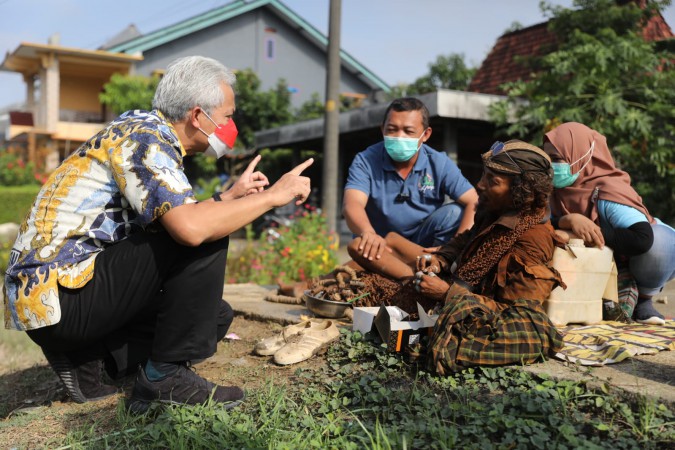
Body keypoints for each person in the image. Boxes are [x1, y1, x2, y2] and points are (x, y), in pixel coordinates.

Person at [3, 56, 313, 411]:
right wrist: (275, 197)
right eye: (227, 115)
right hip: (62, 296)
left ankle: (90, 358)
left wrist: (226, 198)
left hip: (58, 300)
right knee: (201, 236)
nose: (231, 124)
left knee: (214, 317)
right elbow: (191, 228)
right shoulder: (146, 140)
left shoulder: (140, 131)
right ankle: (164, 377)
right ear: (198, 116)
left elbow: (176, 217)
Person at [406, 140, 565, 375]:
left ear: (521, 190)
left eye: (493, 180)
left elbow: (516, 315)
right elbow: (465, 239)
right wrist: (441, 260)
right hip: (457, 293)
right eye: (484, 175)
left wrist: (446, 293)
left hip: (478, 316)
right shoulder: (494, 212)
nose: (480, 185)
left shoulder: (533, 240)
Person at [543, 122, 674, 325]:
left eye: (557, 159)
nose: (551, 166)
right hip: (609, 256)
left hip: (647, 251)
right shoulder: (552, 192)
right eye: (547, 158)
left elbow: (641, 239)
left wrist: (583, 234)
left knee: (659, 245)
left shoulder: (607, 190)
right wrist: (568, 220)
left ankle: (644, 300)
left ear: (582, 156)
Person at [343, 97, 478, 262]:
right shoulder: (365, 160)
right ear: (382, 130)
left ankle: (439, 261)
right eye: (392, 129)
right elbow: (352, 204)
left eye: (408, 131)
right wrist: (368, 233)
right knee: (358, 244)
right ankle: (412, 267)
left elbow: (474, 201)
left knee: (455, 212)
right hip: (379, 245)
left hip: (422, 243)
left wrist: (456, 246)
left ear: (425, 134)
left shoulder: (439, 163)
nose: (399, 137)